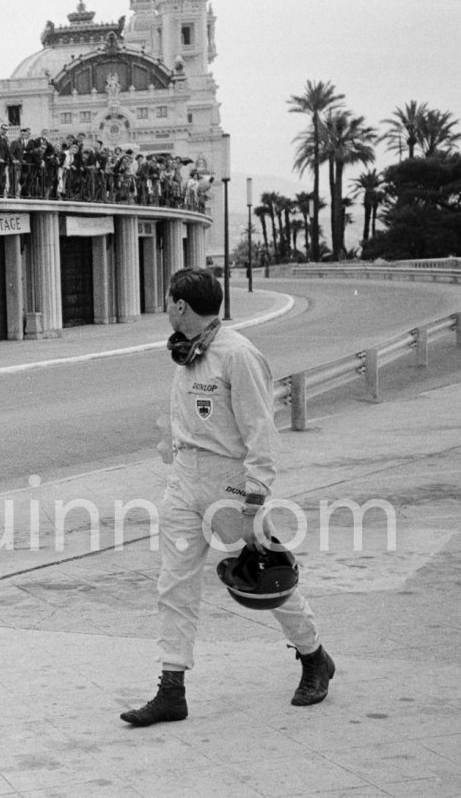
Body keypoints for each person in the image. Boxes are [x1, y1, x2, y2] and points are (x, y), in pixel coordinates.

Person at [119, 267, 334, 728]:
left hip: (231, 487)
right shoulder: (187, 352)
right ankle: (171, 690)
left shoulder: (237, 355)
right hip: (184, 481)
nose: (165, 308)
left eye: (167, 301)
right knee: (174, 584)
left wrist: (255, 495)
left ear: (179, 305)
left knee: (260, 577)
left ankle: (314, 656)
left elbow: (262, 430)